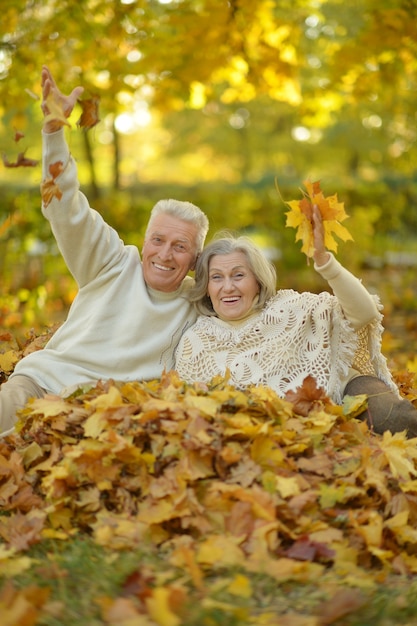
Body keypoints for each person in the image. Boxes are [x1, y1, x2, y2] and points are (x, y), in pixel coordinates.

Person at [0, 66, 209, 436]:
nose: (164, 254)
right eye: (157, 240)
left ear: (194, 259)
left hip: (106, 418)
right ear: (144, 241)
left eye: (180, 247)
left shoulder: (198, 304)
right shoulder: (111, 262)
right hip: (41, 385)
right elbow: (65, 208)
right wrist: (53, 133)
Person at [174, 207, 417, 437]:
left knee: (394, 420)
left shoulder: (290, 307)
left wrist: (325, 263)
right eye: (217, 277)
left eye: (239, 275)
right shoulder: (196, 341)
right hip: (283, 424)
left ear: (257, 281)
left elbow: (364, 313)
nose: (228, 287)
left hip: (344, 387)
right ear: (206, 287)